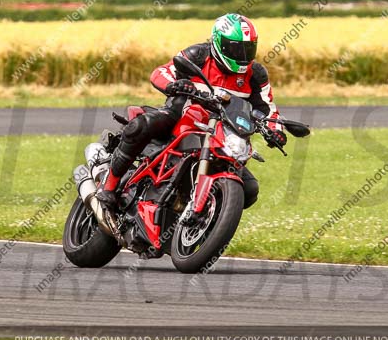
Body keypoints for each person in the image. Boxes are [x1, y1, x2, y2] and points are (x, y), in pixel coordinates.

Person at [96, 13, 287, 212]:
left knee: (249, 190)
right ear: (219, 43)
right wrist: (174, 85)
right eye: (235, 48)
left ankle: (204, 227)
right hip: (182, 114)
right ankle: (108, 185)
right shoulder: (198, 55)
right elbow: (161, 72)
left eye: (248, 49)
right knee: (140, 126)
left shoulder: (255, 74)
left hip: (223, 132)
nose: (242, 55)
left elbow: (268, 108)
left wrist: (275, 129)